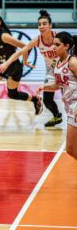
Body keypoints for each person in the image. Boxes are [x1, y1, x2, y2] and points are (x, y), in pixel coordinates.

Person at [0, 10, 62, 127]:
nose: (41, 26)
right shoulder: (37, 40)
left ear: (50, 25)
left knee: (70, 96)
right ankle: (57, 116)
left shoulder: (58, 37)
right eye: (39, 24)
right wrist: (7, 63)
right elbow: (22, 51)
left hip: (64, 69)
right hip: (51, 72)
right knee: (47, 100)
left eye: (44, 24)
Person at [36, 32, 77, 160]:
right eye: (53, 44)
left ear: (66, 46)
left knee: (70, 149)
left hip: (76, 107)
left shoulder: (73, 62)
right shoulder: (58, 63)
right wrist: (44, 87)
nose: (54, 47)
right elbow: (59, 84)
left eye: (57, 45)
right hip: (69, 106)